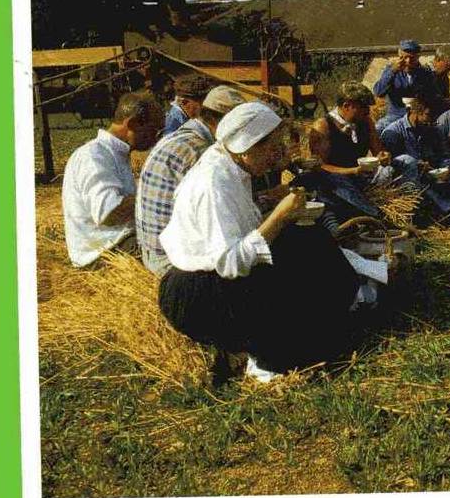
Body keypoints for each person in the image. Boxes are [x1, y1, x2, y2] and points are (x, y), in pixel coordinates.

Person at [158, 102, 390, 381]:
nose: (276, 154)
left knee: (307, 236)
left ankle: (353, 296)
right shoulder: (213, 182)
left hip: (216, 280)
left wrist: (272, 204)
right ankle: (266, 359)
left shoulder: (230, 164)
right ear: (248, 147)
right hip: (199, 294)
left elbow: (243, 224)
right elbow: (232, 263)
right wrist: (279, 216)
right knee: (311, 332)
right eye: (271, 147)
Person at [135, 85, 246, 277]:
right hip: (171, 263)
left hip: (152, 250)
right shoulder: (202, 152)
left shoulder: (180, 137)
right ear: (221, 122)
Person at [61, 92, 164, 267]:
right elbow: (109, 213)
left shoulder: (114, 153)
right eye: (153, 130)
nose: (155, 138)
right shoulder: (93, 156)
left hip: (118, 243)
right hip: (103, 253)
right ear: (131, 124)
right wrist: (155, 195)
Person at [380, 92, 450, 220]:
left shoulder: (433, 129)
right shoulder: (393, 132)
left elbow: (445, 154)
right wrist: (417, 166)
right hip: (410, 181)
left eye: (433, 116)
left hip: (434, 174)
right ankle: (446, 211)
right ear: (414, 111)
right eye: (428, 115)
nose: (431, 120)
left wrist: (448, 167)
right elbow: (391, 166)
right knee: (412, 167)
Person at [306, 82, 395, 224]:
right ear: (347, 105)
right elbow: (319, 166)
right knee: (332, 180)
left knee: (399, 164)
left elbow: (378, 151)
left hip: (362, 177)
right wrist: (353, 171)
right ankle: (378, 218)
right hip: (338, 180)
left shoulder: (366, 121)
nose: (367, 111)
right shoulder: (323, 126)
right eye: (363, 107)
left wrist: (383, 157)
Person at [372, 39, 437, 131]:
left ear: (417, 58)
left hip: (417, 115)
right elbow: (378, 92)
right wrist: (393, 71)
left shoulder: (425, 73)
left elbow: (433, 96)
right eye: (405, 57)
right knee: (378, 129)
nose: (408, 61)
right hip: (395, 115)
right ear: (399, 56)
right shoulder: (391, 70)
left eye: (412, 58)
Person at [431, 45, 450, 115]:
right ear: (438, 60)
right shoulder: (423, 75)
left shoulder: (444, 77)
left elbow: (446, 97)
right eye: (448, 65)